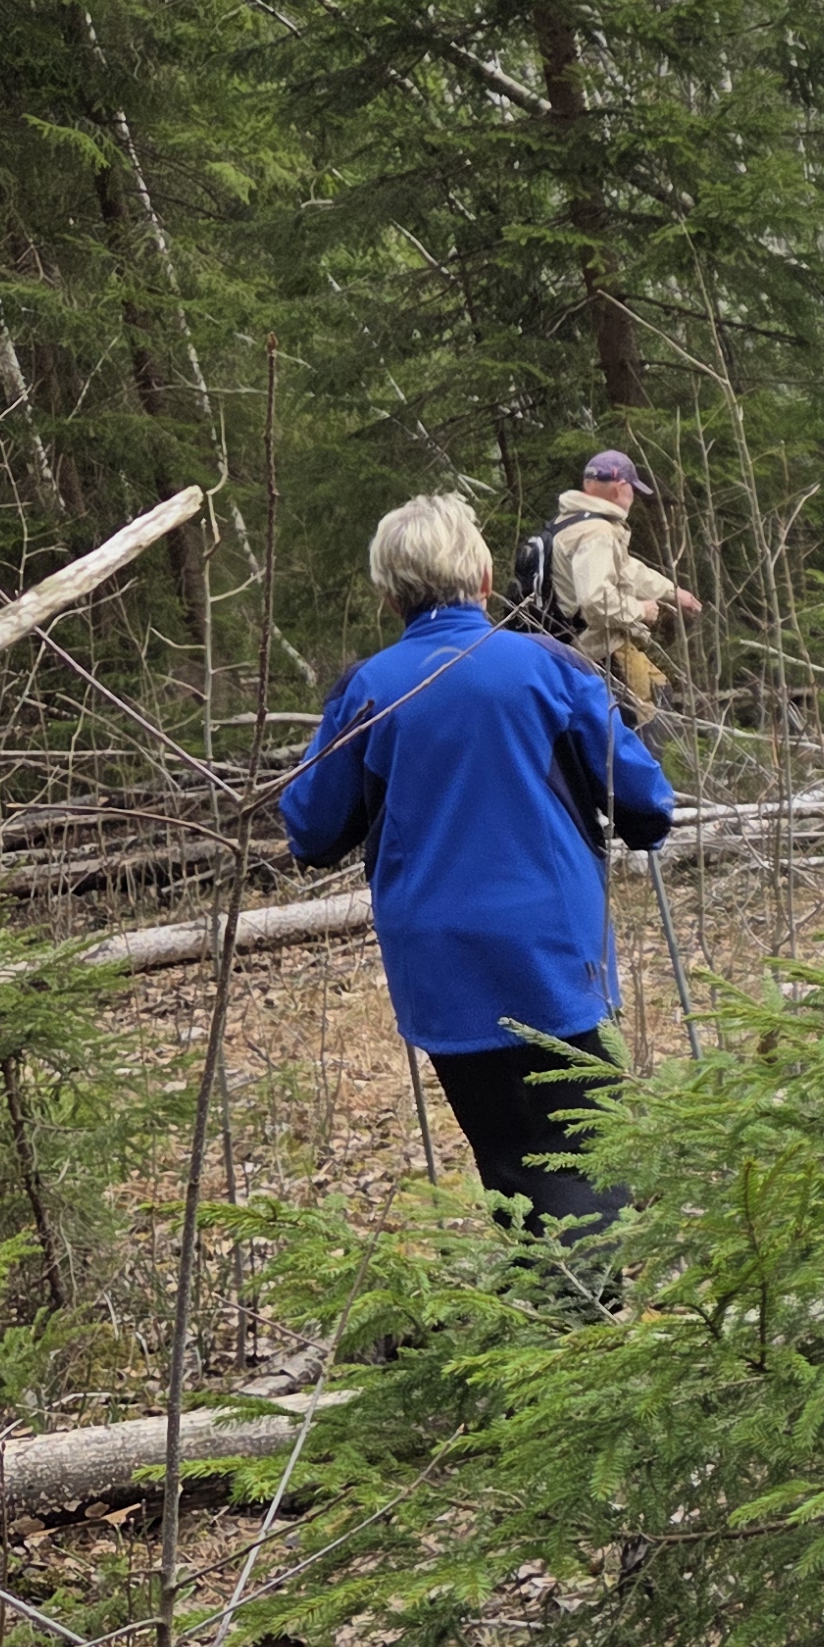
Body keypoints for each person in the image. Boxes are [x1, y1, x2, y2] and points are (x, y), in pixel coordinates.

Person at [284, 495, 673, 1259]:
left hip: (438, 960)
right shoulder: (548, 668)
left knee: (503, 1148)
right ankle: (587, 1325)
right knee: (585, 1140)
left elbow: (311, 827)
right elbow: (648, 804)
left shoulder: (368, 689)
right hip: (554, 946)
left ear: (389, 593)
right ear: (487, 576)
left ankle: (541, 1319)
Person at [544, 448, 698, 721]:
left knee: (656, 691)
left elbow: (627, 571)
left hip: (566, 648)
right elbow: (595, 602)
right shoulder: (598, 533)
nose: (634, 497)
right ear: (620, 488)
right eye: (633, 490)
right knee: (648, 717)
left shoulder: (569, 523)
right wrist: (641, 610)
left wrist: (672, 593)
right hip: (595, 651)